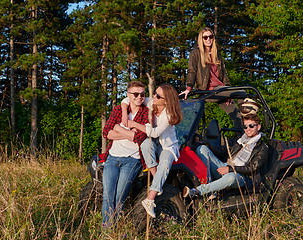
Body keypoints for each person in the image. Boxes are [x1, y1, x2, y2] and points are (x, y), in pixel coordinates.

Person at [124, 84, 183, 218]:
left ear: (167, 101)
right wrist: (123, 111)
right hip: (154, 142)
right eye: (155, 93)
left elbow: (155, 133)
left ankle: (150, 199)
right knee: (145, 144)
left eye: (158, 96)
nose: (154, 97)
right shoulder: (152, 102)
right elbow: (128, 99)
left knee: (165, 162)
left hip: (167, 145)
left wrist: (134, 124)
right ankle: (157, 180)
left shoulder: (168, 115)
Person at [182, 114, 268, 198]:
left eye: (251, 126)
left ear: (258, 127)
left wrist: (230, 169)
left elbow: (252, 168)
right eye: (245, 127)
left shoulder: (262, 147)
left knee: (231, 177)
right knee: (202, 148)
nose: (248, 129)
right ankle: (210, 188)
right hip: (225, 166)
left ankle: (199, 190)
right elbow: (223, 152)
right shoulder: (240, 140)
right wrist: (209, 145)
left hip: (242, 176)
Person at [101, 81, 150, 226]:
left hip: (132, 160)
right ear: (128, 96)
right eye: (135, 94)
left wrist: (118, 128)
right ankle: (107, 231)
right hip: (112, 158)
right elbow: (106, 133)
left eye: (142, 94)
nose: (139, 97)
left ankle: (118, 228)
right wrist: (128, 133)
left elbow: (139, 137)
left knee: (120, 196)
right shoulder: (118, 110)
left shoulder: (146, 113)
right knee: (107, 197)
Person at [180, 27, 243, 130]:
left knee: (237, 117)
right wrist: (188, 88)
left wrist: (229, 92)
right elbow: (192, 71)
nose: (208, 39)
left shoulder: (217, 53)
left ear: (213, 38)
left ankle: (246, 133)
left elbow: (224, 75)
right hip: (207, 91)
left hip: (221, 89)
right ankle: (250, 117)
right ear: (201, 39)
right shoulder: (195, 53)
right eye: (205, 37)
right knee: (241, 92)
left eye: (211, 36)